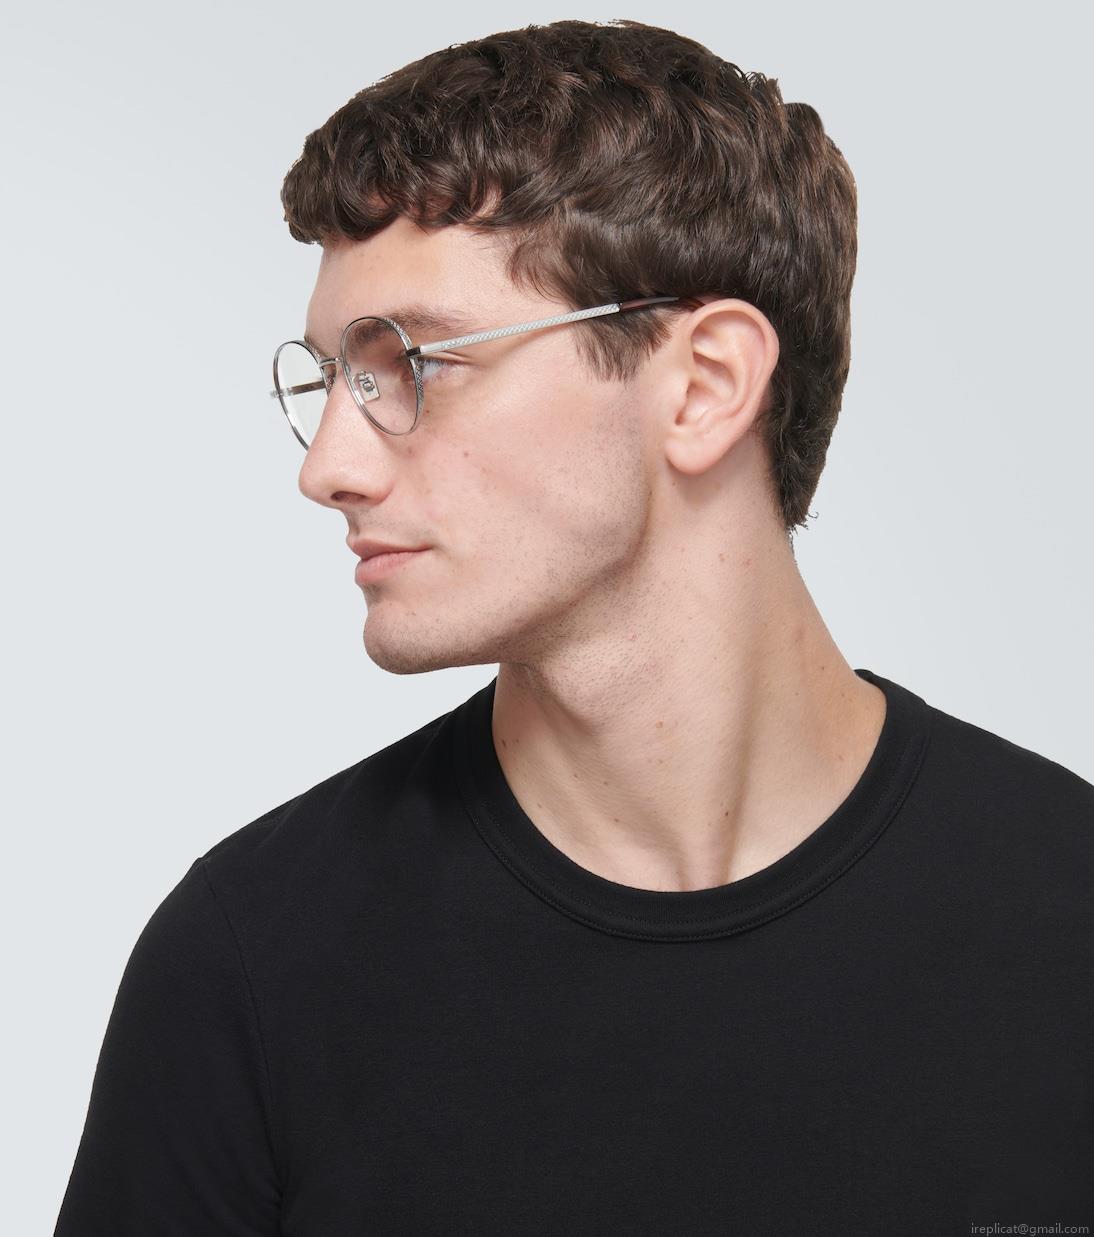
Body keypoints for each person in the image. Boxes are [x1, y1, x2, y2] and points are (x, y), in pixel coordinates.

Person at [54, 18, 1093, 1235]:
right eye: (330, 376)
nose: (328, 466)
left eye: (411, 364)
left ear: (703, 385)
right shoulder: (251, 964)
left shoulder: (1065, 917)